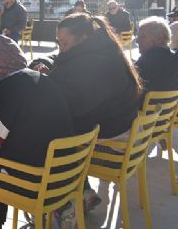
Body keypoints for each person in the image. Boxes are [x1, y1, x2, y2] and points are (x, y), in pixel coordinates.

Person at [0, 36, 74, 229]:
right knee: (0, 158)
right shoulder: (45, 81)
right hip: (66, 176)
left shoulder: (5, 90)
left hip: (35, 184)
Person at [48, 13, 141, 210]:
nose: (60, 48)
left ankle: (65, 206)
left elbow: (70, 107)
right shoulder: (106, 51)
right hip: (125, 138)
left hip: (112, 149)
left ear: (84, 38)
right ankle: (83, 193)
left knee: (47, 144)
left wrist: (48, 82)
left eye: (63, 43)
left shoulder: (91, 63)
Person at [136, 17, 178, 97]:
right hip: (169, 109)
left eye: (142, 36)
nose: (137, 41)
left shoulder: (145, 62)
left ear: (159, 38)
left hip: (142, 109)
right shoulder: (175, 59)